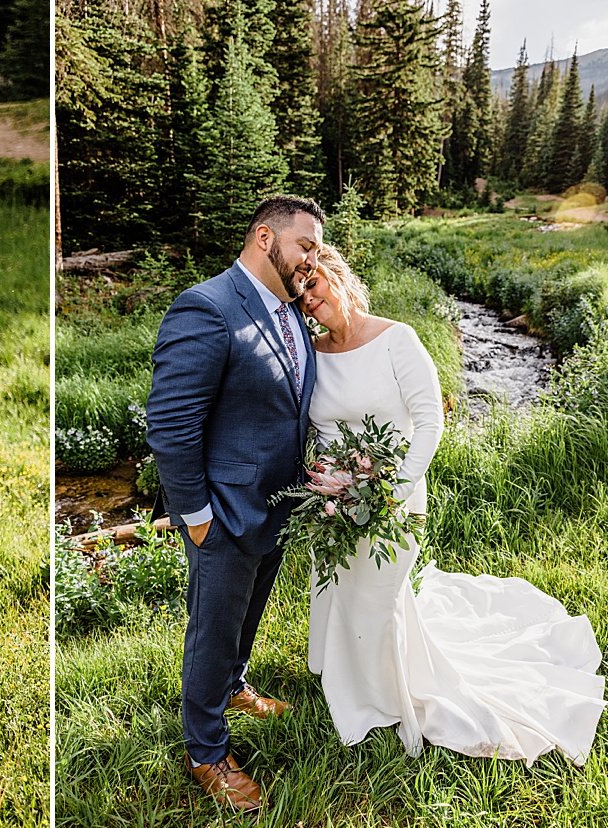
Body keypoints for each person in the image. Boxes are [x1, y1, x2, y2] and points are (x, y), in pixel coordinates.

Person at [300, 244, 605, 765]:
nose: (309, 299)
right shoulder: (312, 352)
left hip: (394, 494)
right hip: (332, 500)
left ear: (338, 275)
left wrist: (393, 490)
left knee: (378, 595)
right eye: (300, 293)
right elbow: (316, 426)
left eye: (315, 284)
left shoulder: (397, 339)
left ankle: (381, 696)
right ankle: (342, 674)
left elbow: (430, 422)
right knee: (338, 586)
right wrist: (326, 482)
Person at [147, 196, 325, 814]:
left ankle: (236, 685)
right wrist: (196, 518)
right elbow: (171, 426)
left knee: (247, 617)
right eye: (305, 245)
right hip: (220, 515)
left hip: (278, 506)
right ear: (264, 237)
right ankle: (206, 751)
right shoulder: (208, 307)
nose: (312, 259)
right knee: (213, 629)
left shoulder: (291, 312)